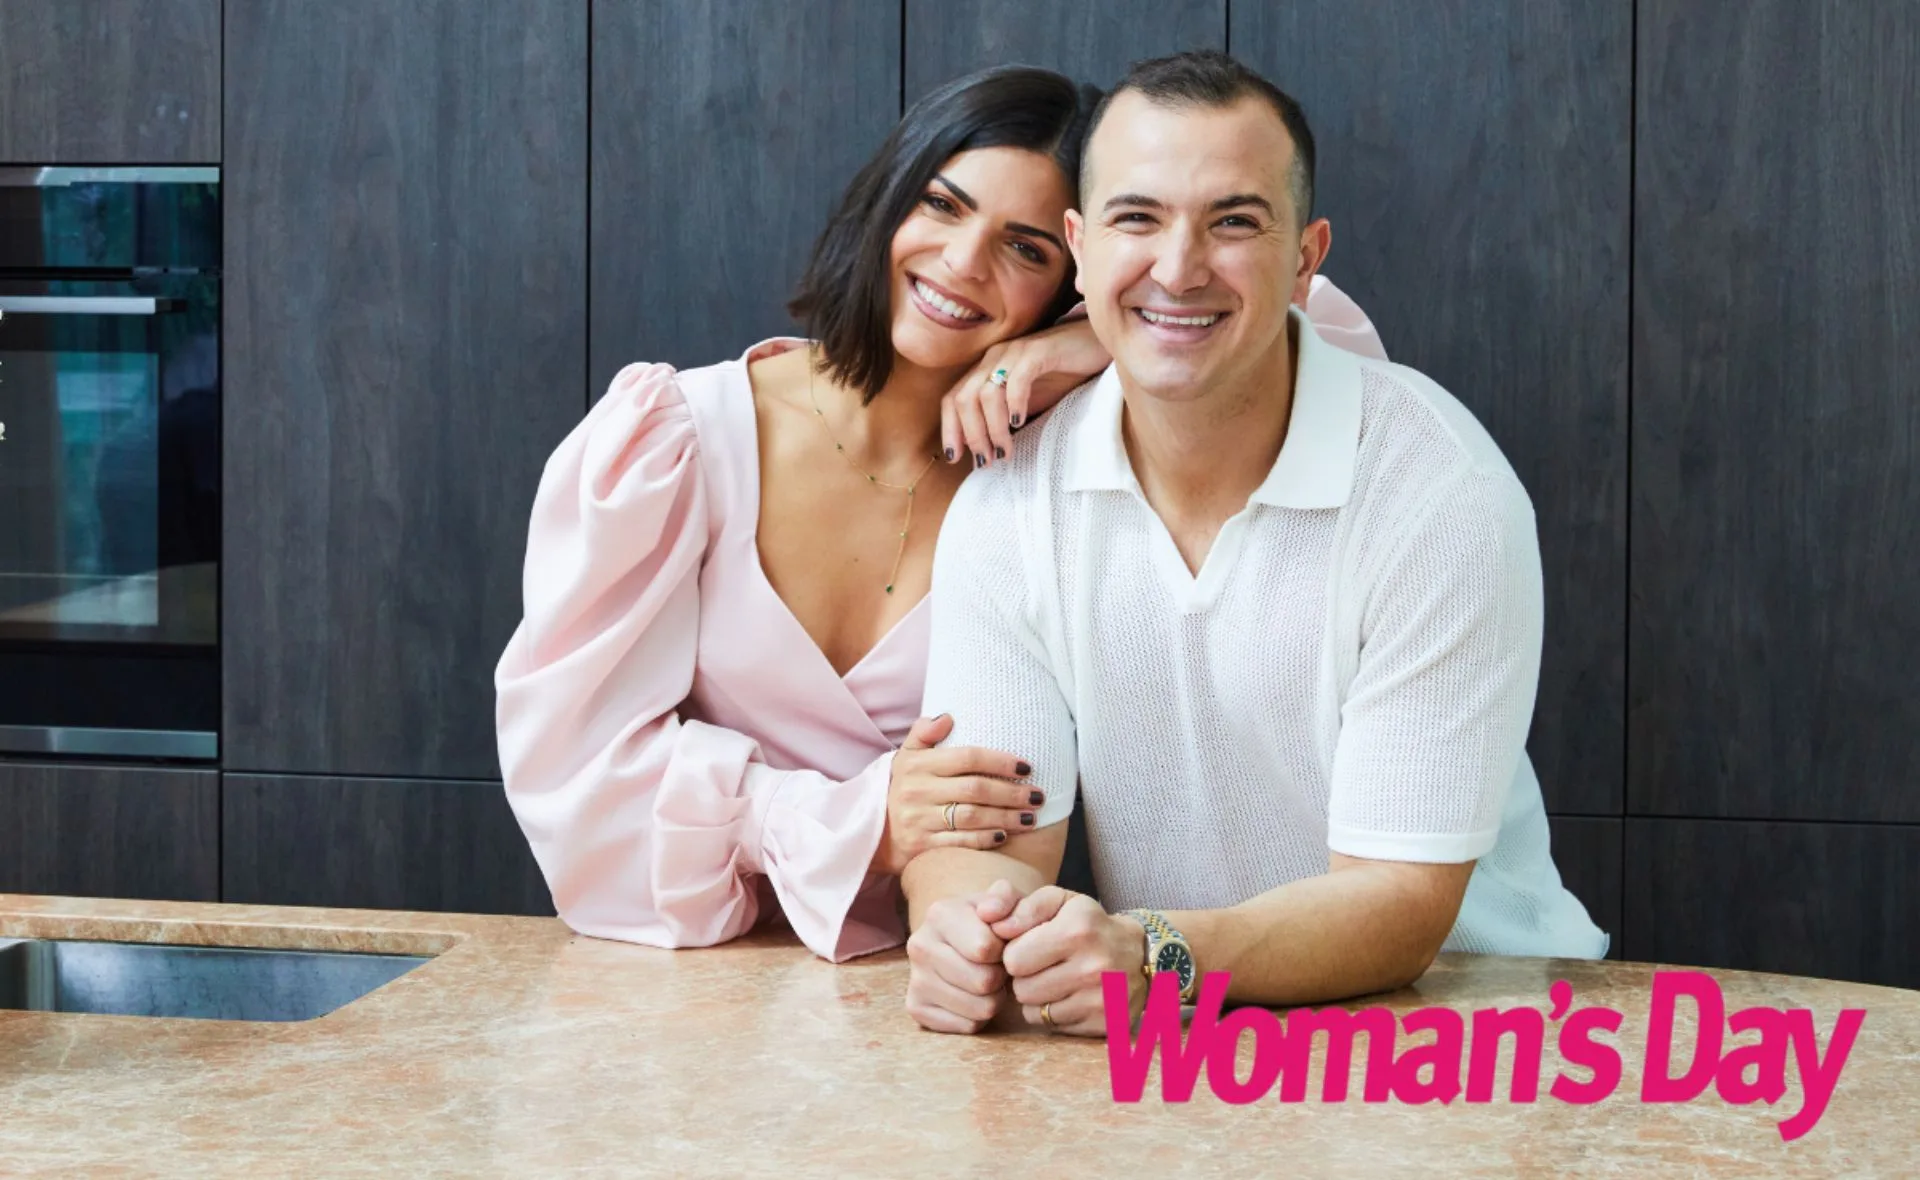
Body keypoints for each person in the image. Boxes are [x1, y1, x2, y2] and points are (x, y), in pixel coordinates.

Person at [493, 65, 1385, 964]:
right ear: (888, 202)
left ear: (1073, 272)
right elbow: (571, 781)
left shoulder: (1043, 469)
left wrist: (1096, 337)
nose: (963, 264)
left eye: (1026, 248)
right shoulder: (671, 443)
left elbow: (1339, 353)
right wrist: (858, 819)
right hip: (690, 976)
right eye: (942, 206)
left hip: (938, 979)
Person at [902, 50, 1608, 1036]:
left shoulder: (1440, 491)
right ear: (1081, 243)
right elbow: (981, 831)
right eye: (1136, 218)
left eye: (1233, 222)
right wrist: (962, 929)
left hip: (1472, 1012)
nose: (1179, 266)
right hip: (1193, 1036)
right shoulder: (1011, 498)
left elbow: (1400, 904)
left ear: (1307, 258)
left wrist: (1154, 953)